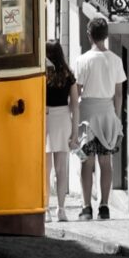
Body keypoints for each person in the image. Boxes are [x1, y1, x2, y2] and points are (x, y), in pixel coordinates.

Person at [73, 17, 126, 221]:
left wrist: (74, 119)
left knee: (86, 162)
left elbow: (77, 93)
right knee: (106, 161)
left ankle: (86, 207)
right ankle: (104, 206)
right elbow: (119, 94)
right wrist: (117, 120)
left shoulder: (82, 60)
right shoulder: (116, 60)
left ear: (89, 35)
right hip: (107, 113)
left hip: (87, 112)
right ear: (106, 35)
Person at [46, 40, 80, 222]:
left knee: (46, 169)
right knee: (61, 169)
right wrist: (74, 133)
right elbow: (75, 106)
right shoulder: (69, 75)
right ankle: (61, 209)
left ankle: (46, 209)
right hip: (63, 119)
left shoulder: (42, 75)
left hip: (45, 118)